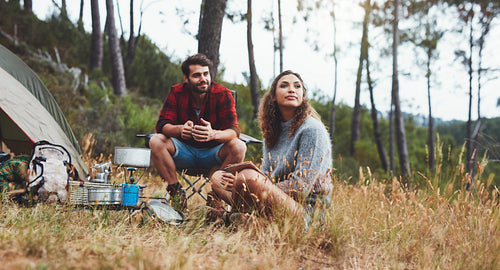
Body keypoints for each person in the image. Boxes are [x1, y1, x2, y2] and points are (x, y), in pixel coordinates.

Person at [210, 70, 333, 224]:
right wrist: (244, 183)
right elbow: (268, 177)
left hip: (306, 212)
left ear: (302, 97)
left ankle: (233, 219)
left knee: (248, 178)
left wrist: (252, 183)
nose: (291, 89)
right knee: (217, 178)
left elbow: (300, 188)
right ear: (273, 96)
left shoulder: (311, 129)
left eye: (297, 86)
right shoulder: (272, 131)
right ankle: (247, 219)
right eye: (284, 85)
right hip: (274, 200)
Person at [149, 53, 247, 211]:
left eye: (206, 74)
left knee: (239, 146)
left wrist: (213, 134)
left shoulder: (223, 94)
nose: (203, 79)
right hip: (183, 153)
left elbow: (233, 131)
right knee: (155, 140)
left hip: (213, 155)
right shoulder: (176, 92)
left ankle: (215, 197)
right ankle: (176, 193)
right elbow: (162, 125)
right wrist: (179, 130)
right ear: (186, 78)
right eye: (196, 75)